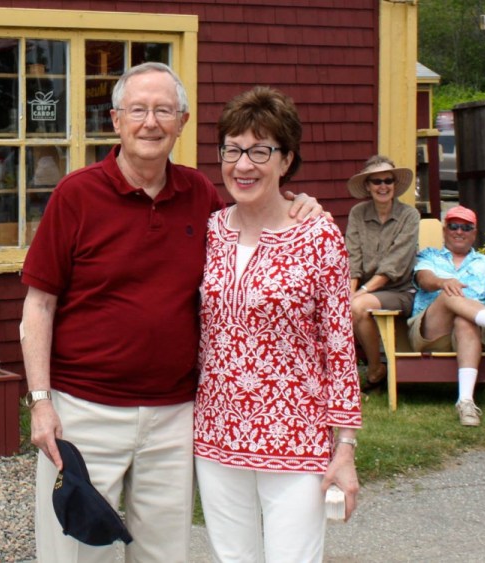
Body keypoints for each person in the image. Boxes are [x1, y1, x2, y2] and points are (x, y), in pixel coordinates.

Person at [20, 62, 322, 562]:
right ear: (116, 121)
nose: (151, 122)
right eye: (138, 110)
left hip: (175, 415)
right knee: (76, 551)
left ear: (182, 122)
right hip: (85, 411)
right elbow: (39, 304)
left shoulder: (199, 194)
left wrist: (297, 202)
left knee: (164, 553)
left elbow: (254, 215)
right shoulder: (76, 195)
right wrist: (40, 401)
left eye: (164, 110)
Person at [194, 86, 362, 563]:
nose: (243, 164)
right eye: (233, 149)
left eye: (260, 150)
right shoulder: (210, 232)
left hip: (294, 438)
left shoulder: (318, 236)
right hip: (216, 435)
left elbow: (340, 348)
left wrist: (344, 449)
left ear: (286, 160)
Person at [408, 205, 485, 426]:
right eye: (454, 226)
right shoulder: (429, 255)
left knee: (464, 319)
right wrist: (443, 282)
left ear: (474, 233)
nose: (459, 231)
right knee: (449, 292)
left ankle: (465, 401)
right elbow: (425, 280)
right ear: (445, 230)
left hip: (469, 337)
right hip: (430, 334)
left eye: (466, 227)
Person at [345, 155, 420, 391]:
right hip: (366, 290)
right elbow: (352, 259)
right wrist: (349, 293)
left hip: (399, 290)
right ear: (368, 186)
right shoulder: (358, 213)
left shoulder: (409, 216)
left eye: (388, 180)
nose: (383, 186)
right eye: (376, 182)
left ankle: (376, 370)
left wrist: (359, 295)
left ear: (395, 185)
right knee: (343, 305)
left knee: (357, 306)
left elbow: (394, 265)